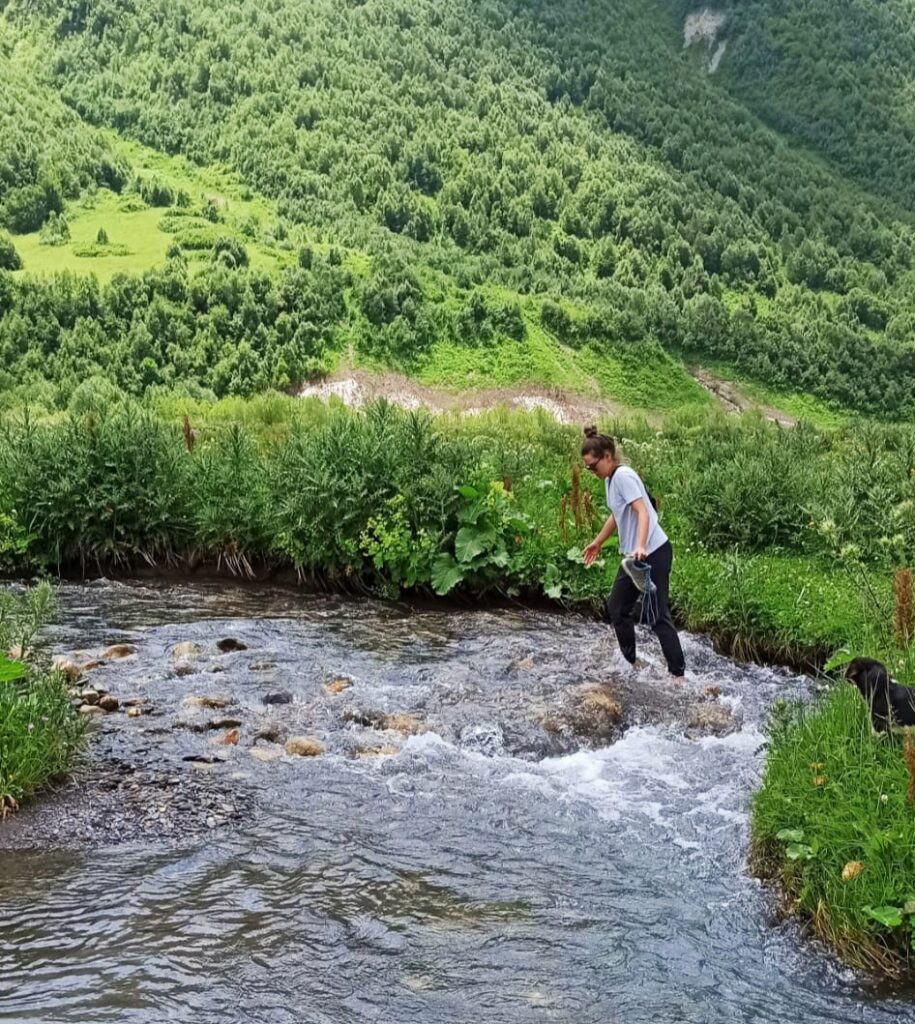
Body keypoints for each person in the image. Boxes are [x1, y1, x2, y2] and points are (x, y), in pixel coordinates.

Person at [581, 426, 685, 678]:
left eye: (593, 466)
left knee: (658, 615)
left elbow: (642, 511)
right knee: (617, 607)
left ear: (607, 456)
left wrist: (640, 546)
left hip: (654, 553)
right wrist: (597, 542)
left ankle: (678, 676)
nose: (591, 472)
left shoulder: (623, 476)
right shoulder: (610, 479)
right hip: (634, 559)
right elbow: (618, 515)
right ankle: (630, 663)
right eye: (587, 468)